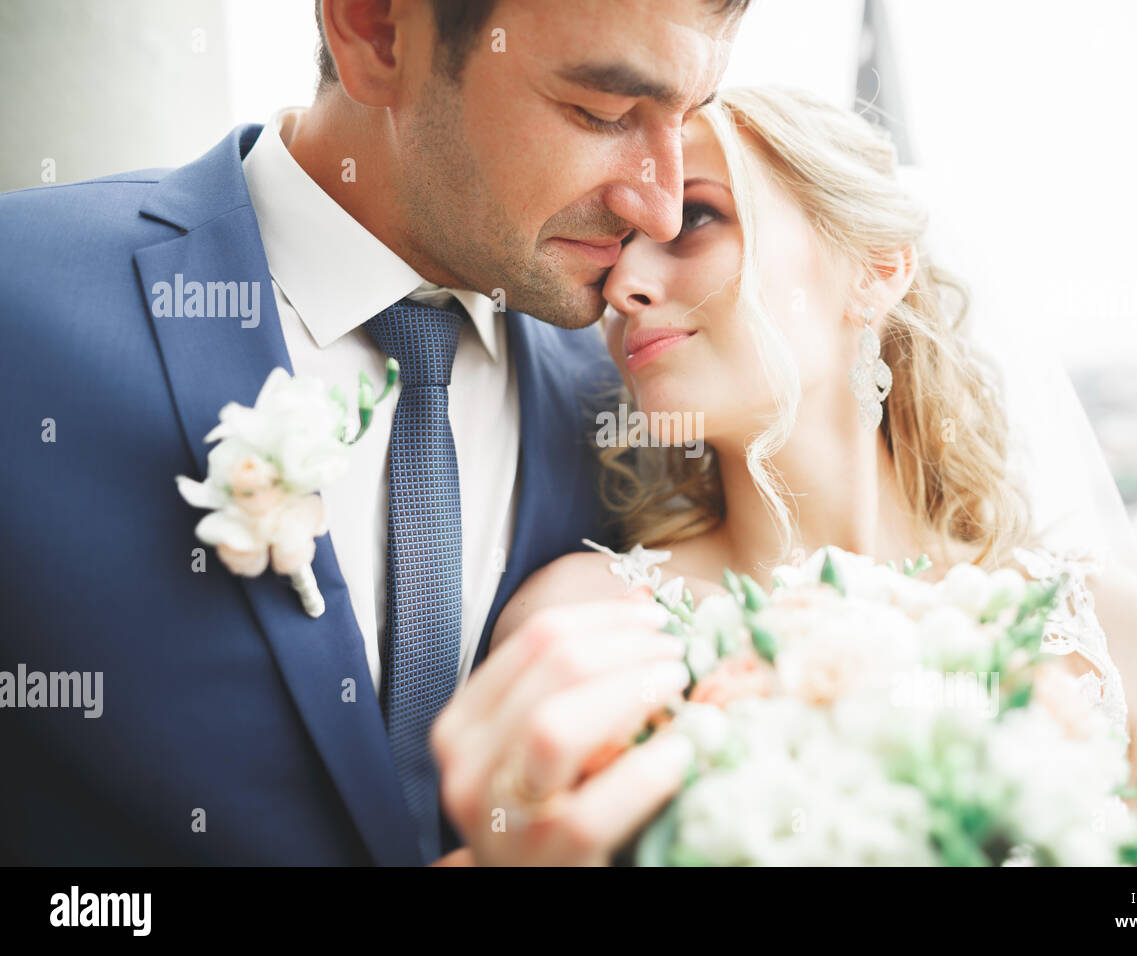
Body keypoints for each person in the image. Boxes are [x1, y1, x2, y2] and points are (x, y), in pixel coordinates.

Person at [0, 0, 746, 865]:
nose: (657, 209)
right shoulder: (22, 300)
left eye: (688, 120)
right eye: (605, 114)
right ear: (376, 30)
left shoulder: (629, 401)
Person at [477, 86, 1137, 865]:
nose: (621, 287)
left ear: (875, 271)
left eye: (697, 219)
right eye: (617, 248)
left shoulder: (1102, 625)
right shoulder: (586, 628)